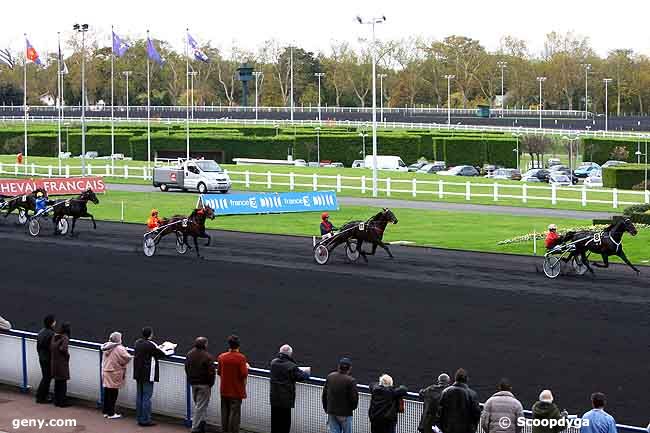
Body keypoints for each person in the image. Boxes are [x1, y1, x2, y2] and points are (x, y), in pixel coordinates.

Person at [269, 344, 310, 433]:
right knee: (285, 424)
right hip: (285, 400)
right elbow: (302, 376)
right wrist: (305, 372)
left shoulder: (273, 363)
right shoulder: (291, 366)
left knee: (275, 423)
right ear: (290, 354)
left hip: (274, 398)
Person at [133, 326, 168, 427]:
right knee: (146, 397)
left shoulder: (137, 343)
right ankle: (145, 420)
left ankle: (139, 418)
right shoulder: (150, 345)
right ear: (150, 335)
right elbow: (161, 354)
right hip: (148, 374)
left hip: (138, 373)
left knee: (139, 396)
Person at [217, 335, 249, 433]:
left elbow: (219, 372)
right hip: (236, 390)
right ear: (238, 346)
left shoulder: (221, 357)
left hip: (224, 389)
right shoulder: (241, 358)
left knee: (225, 412)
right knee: (234, 414)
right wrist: (246, 367)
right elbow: (243, 374)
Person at [185, 337, 216, 433]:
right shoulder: (207, 356)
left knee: (199, 405)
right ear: (204, 345)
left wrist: (190, 379)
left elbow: (186, 368)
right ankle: (195, 428)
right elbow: (211, 373)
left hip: (193, 383)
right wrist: (210, 384)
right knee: (201, 406)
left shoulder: (189, 354)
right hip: (204, 385)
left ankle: (201, 426)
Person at [322, 357, 359, 433]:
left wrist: (326, 408)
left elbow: (324, 395)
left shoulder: (330, 376)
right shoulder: (351, 381)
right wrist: (351, 409)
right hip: (345, 413)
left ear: (339, 366)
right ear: (349, 368)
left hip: (331, 411)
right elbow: (354, 399)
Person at [101, 331, 132, 419]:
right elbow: (127, 358)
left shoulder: (106, 346)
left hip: (106, 371)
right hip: (115, 372)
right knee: (113, 393)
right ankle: (111, 413)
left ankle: (106, 411)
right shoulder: (120, 348)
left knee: (107, 392)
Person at [439, 368, 481, 433]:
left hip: (448, 429)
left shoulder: (445, 392)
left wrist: (443, 427)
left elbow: (440, 411)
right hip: (466, 429)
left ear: (455, 378)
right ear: (466, 379)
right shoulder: (472, 394)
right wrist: (472, 428)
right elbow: (476, 413)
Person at [36, 314, 56, 404]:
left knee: (45, 377)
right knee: (47, 378)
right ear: (51, 323)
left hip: (42, 357)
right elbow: (52, 347)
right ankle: (41, 397)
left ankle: (41, 396)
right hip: (48, 359)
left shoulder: (41, 332)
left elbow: (38, 346)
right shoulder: (51, 334)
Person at [50, 321, 71, 408]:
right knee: (63, 383)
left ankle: (56, 400)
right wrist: (67, 355)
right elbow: (63, 349)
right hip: (62, 363)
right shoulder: (65, 338)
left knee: (57, 383)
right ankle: (62, 402)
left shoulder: (55, 337)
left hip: (54, 362)